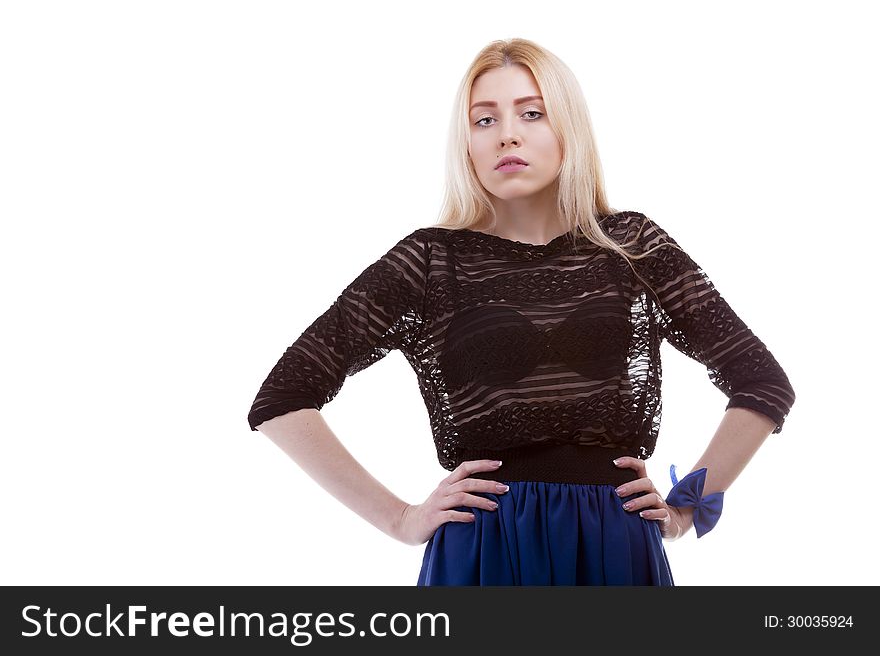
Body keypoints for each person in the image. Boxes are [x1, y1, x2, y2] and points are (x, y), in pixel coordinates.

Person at [246, 38, 796, 585]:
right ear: (467, 144)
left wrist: (685, 511)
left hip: (613, 542)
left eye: (531, 113)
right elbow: (283, 399)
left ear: (567, 130)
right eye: (484, 120)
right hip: (484, 545)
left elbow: (762, 383)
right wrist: (400, 519)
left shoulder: (633, 247)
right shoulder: (432, 260)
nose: (507, 132)